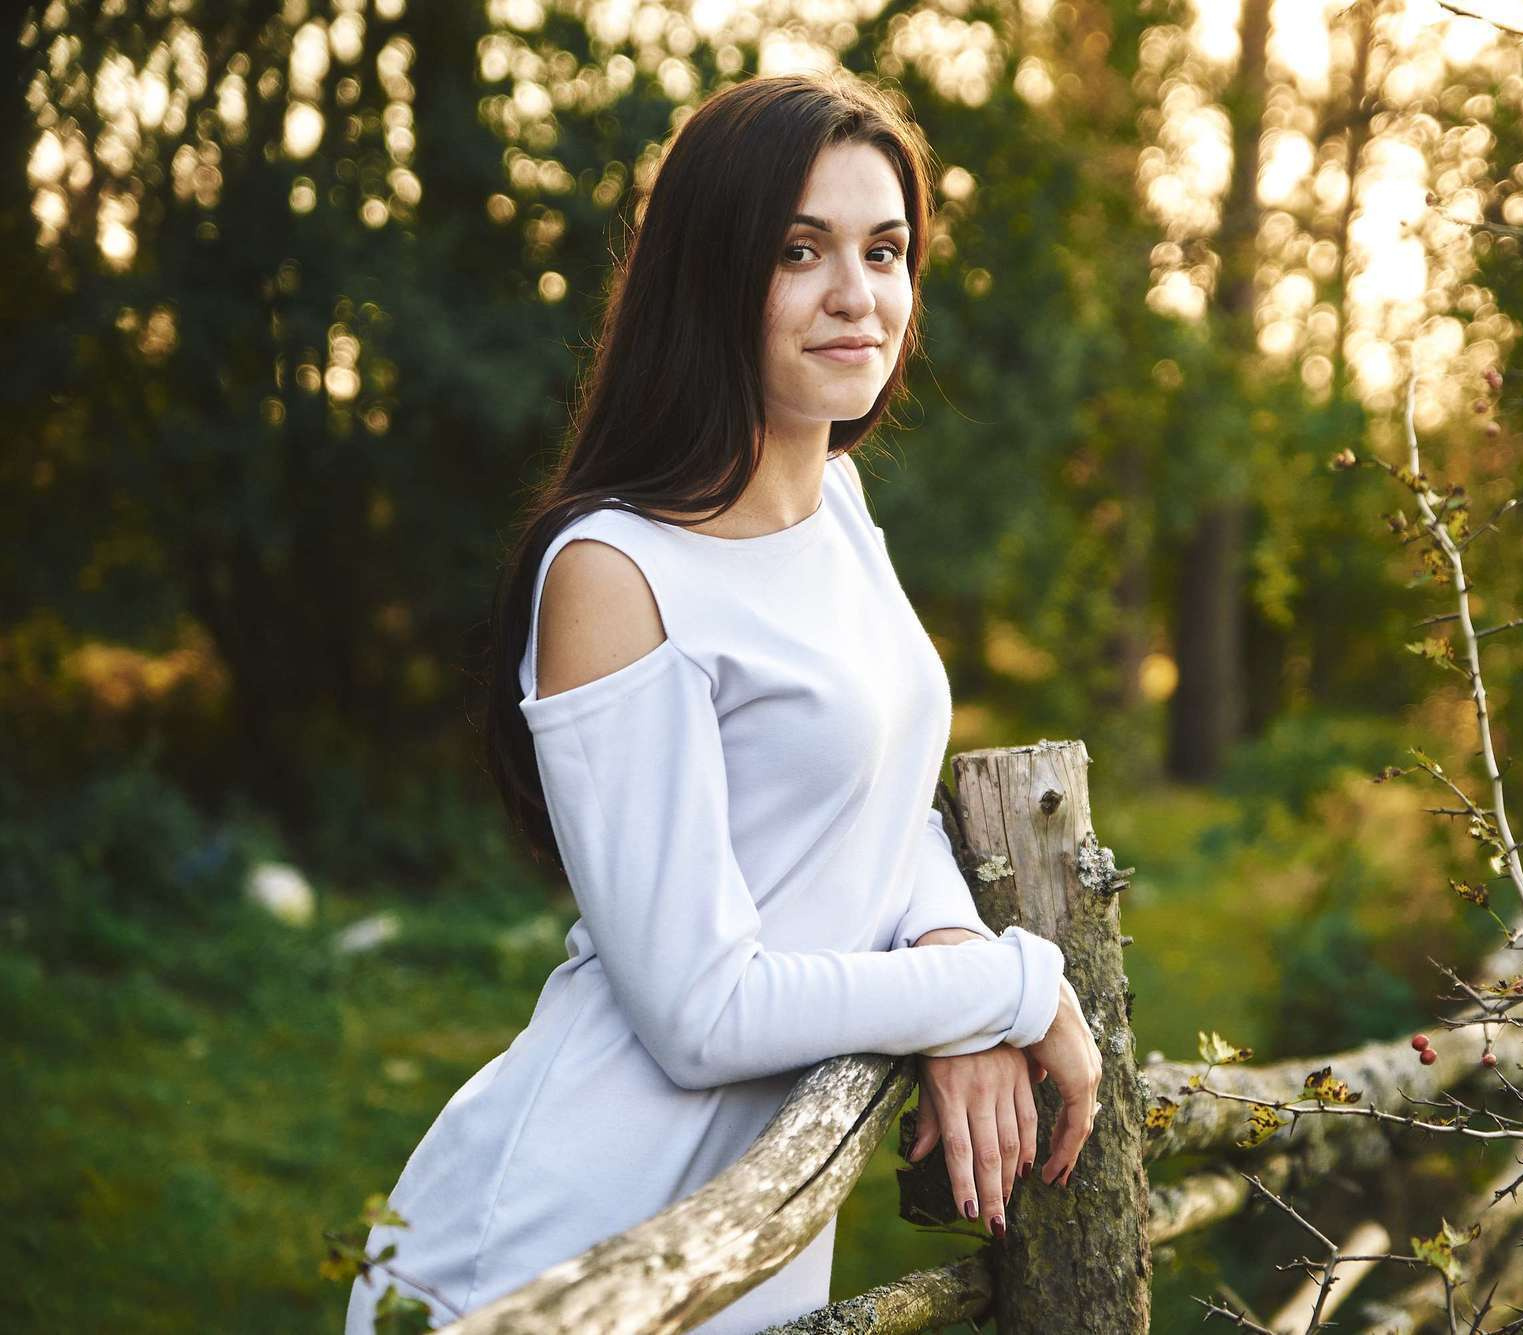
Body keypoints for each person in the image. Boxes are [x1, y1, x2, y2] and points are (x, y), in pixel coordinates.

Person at [342, 71, 1101, 1333]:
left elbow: (881, 801)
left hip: (746, 1241)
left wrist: (955, 951)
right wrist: (1020, 989)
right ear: (709, 277)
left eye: (885, 249)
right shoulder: (615, 572)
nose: (857, 294)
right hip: (561, 1248)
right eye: (798, 251)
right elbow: (702, 1012)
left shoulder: (840, 510)